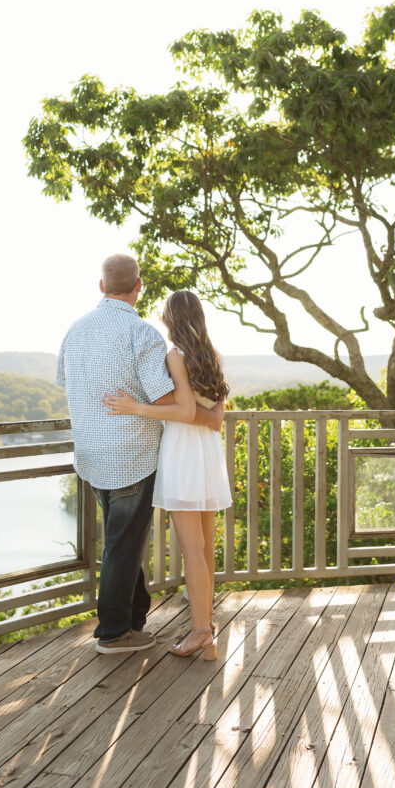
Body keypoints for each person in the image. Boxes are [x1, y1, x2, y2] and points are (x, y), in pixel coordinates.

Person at [56, 255, 223, 654]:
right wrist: (211, 416)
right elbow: (172, 401)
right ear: (138, 286)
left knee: (121, 540)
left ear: (101, 286)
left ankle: (133, 618)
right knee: (123, 544)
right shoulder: (141, 333)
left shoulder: (74, 331)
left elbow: (66, 381)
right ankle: (114, 632)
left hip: (91, 455)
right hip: (130, 454)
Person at [103, 289, 231, 662]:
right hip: (206, 454)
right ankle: (206, 627)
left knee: (192, 549)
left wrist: (133, 407)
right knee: (204, 548)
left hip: (183, 454)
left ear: (171, 319)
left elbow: (186, 411)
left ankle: (200, 632)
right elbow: (214, 420)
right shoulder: (213, 357)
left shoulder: (175, 356)